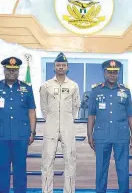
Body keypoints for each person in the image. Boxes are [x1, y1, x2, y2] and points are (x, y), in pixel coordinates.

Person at [0, 57, 37, 193]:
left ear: (18, 71)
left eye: (14, 70)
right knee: (2, 169)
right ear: (4, 70)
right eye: (9, 70)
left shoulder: (27, 88)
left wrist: (32, 132)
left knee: (20, 169)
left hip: (21, 135)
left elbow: (32, 111)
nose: (11, 73)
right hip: (1, 136)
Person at [87, 60, 132, 193]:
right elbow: (91, 115)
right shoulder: (95, 91)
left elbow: (131, 114)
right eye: (109, 72)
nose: (112, 75)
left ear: (118, 74)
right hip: (101, 136)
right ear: (104, 73)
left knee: (123, 169)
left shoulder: (125, 91)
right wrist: (89, 135)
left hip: (121, 136)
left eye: (115, 73)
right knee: (101, 169)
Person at [40, 52, 80, 193]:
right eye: (58, 65)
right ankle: (47, 191)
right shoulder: (46, 86)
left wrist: (67, 118)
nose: (61, 67)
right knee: (47, 161)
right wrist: (51, 118)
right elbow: (44, 107)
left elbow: (76, 106)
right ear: (54, 67)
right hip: (50, 125)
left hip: (68, 126)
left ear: (67, 68)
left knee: (70, 161)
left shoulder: (74, 85)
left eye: (63, 65)